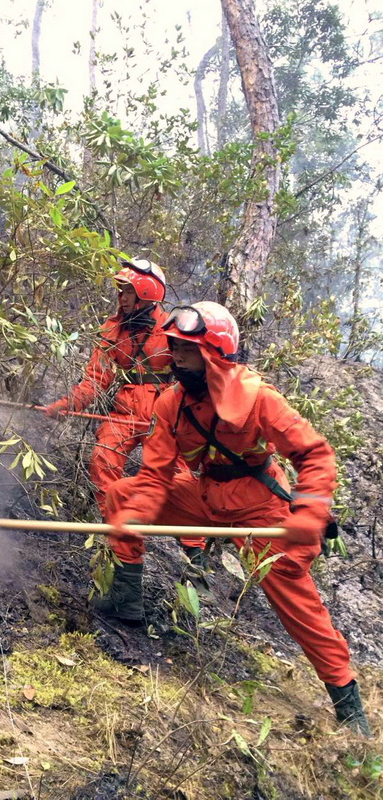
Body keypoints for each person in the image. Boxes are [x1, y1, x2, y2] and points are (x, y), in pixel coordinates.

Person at [99, 301, 371, 737]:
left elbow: (314, 454)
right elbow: (155, 475)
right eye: (174, 346)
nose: (175, 354)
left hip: (259, 507)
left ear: (214, 353)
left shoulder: (259, 397)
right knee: (121, 493)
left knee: (296, 602)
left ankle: (347, 700)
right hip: (204, 496)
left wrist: (309, 510)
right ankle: (127, 595)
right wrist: (136, 514)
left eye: (186, 348)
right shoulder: (172, 403)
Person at [44, 259, 172, 517]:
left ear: (146, 293)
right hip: (124, 412)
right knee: (103, 460)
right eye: (120, 291)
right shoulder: (113, 329)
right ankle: (114, 528)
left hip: (164, 415)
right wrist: (68, 404)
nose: (121, 298)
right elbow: (95, 379)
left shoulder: (173, 328)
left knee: (175, 478)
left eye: (127, 292)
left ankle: (194, 548)